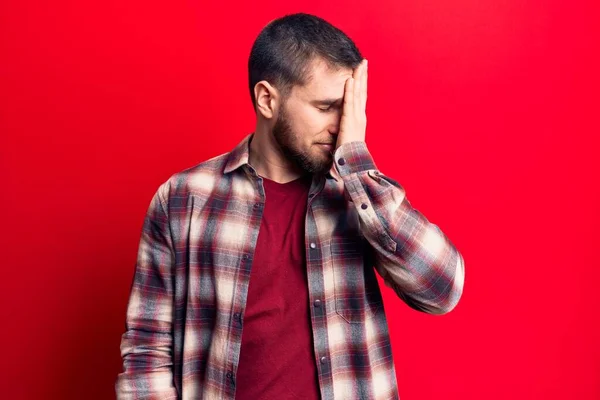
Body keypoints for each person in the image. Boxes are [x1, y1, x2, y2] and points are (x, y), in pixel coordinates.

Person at [116, 12, 465, 400]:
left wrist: (357, 164)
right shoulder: (184, 199)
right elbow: (147, 350)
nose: (343, 125)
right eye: (327, 106)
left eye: (349, 108)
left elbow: (441, 289)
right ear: (267, 99)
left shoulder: (360, 197)